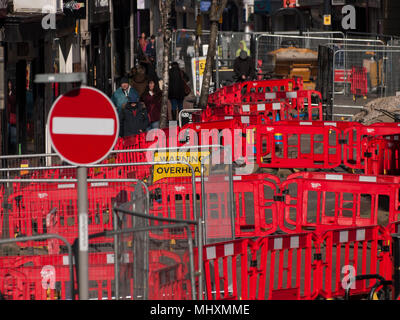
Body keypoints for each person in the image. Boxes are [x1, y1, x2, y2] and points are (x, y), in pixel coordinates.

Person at [6, 80, 16, 154]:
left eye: (10, 83)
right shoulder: (5, 93)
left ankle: (13, 153)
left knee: (13, 138)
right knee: (7, 136)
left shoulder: (13, 94)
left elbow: (13, 103)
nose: (9, 85)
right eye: (8, 83)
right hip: (6, 118)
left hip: (12, 118)